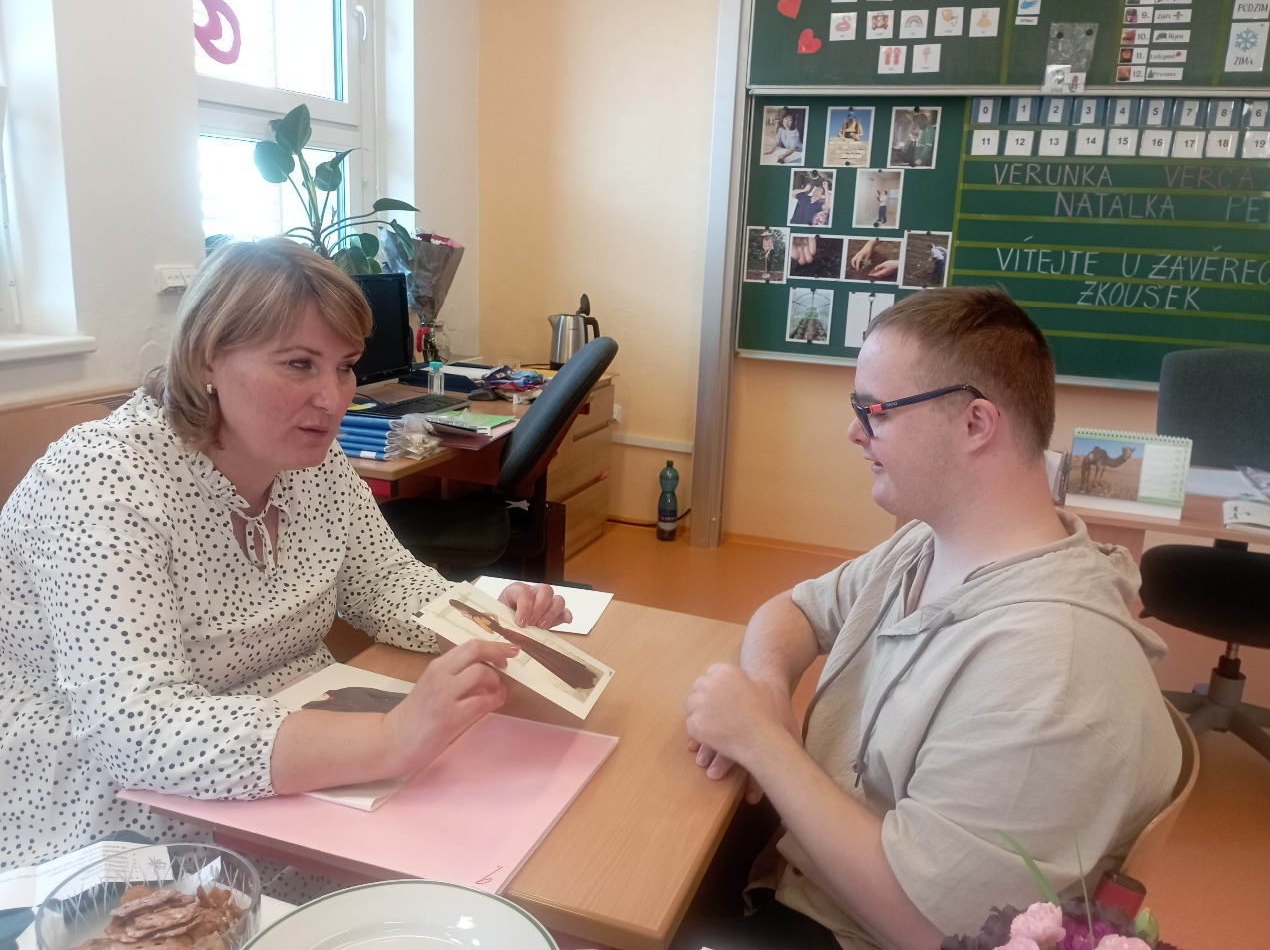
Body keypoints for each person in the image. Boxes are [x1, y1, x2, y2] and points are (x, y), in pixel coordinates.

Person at [0, 238, 571, 874]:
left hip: (297, 739)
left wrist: (484, 616)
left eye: (345, 366)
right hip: (119, 804)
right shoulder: (101, 480)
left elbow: (383, 581)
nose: (333, 398)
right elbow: (138, 730)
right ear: (207, 357)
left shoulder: (313, 459)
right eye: (300, 364)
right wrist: (390, 738)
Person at [681, 287, 1181, 949]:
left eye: (875, 411)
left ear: (975, 424)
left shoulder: (1050, 671)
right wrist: (769, 689)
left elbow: (931, 929)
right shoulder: (929, 541)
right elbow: (796, 609)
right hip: (807, 870)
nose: (854, 431)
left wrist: (764, 744)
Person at [448, 599, 598, 690]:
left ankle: (576, 677)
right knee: (541, 650)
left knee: (539, 654)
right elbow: (493, 616)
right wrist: (497, 624)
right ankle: (579, 672)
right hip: (512, 633)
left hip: (511, 637)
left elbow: (489, 631)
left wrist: (469, 618)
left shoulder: (476, 618)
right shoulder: (480, 614)